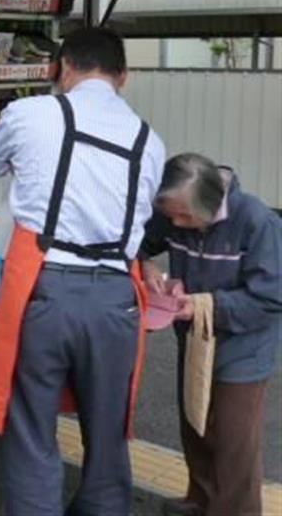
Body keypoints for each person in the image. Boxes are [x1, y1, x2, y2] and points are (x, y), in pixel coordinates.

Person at [0, 27, 166, 516]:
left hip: (48, 292)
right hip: (119, 299)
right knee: (107, 434)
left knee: (33, 429)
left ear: (60, 67)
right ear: (123, 77)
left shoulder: (32, 113)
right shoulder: (150, 141)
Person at [140, 154, 282, 516]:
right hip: (194, 339)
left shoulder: (256, 221)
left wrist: (207, 305)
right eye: (170, 214)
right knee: (195, 427)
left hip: (243, 347)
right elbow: (140, 240)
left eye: (184, 216)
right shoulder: (176, 210)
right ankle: (200, 502)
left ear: (212, 203)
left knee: (234, 443)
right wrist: (147, 265)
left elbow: (270, 298)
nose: (175, 223)